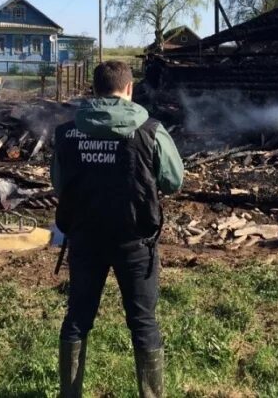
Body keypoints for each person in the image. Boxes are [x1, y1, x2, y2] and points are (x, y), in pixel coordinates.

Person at [52, 60, 183, 398]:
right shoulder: (151, 130)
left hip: (84, 240)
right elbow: (173, 180)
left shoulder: (67, 133)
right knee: (143, 323)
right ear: (129, 89)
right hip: (136, 242)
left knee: (78, 319)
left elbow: (58, 182)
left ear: (94, 91)